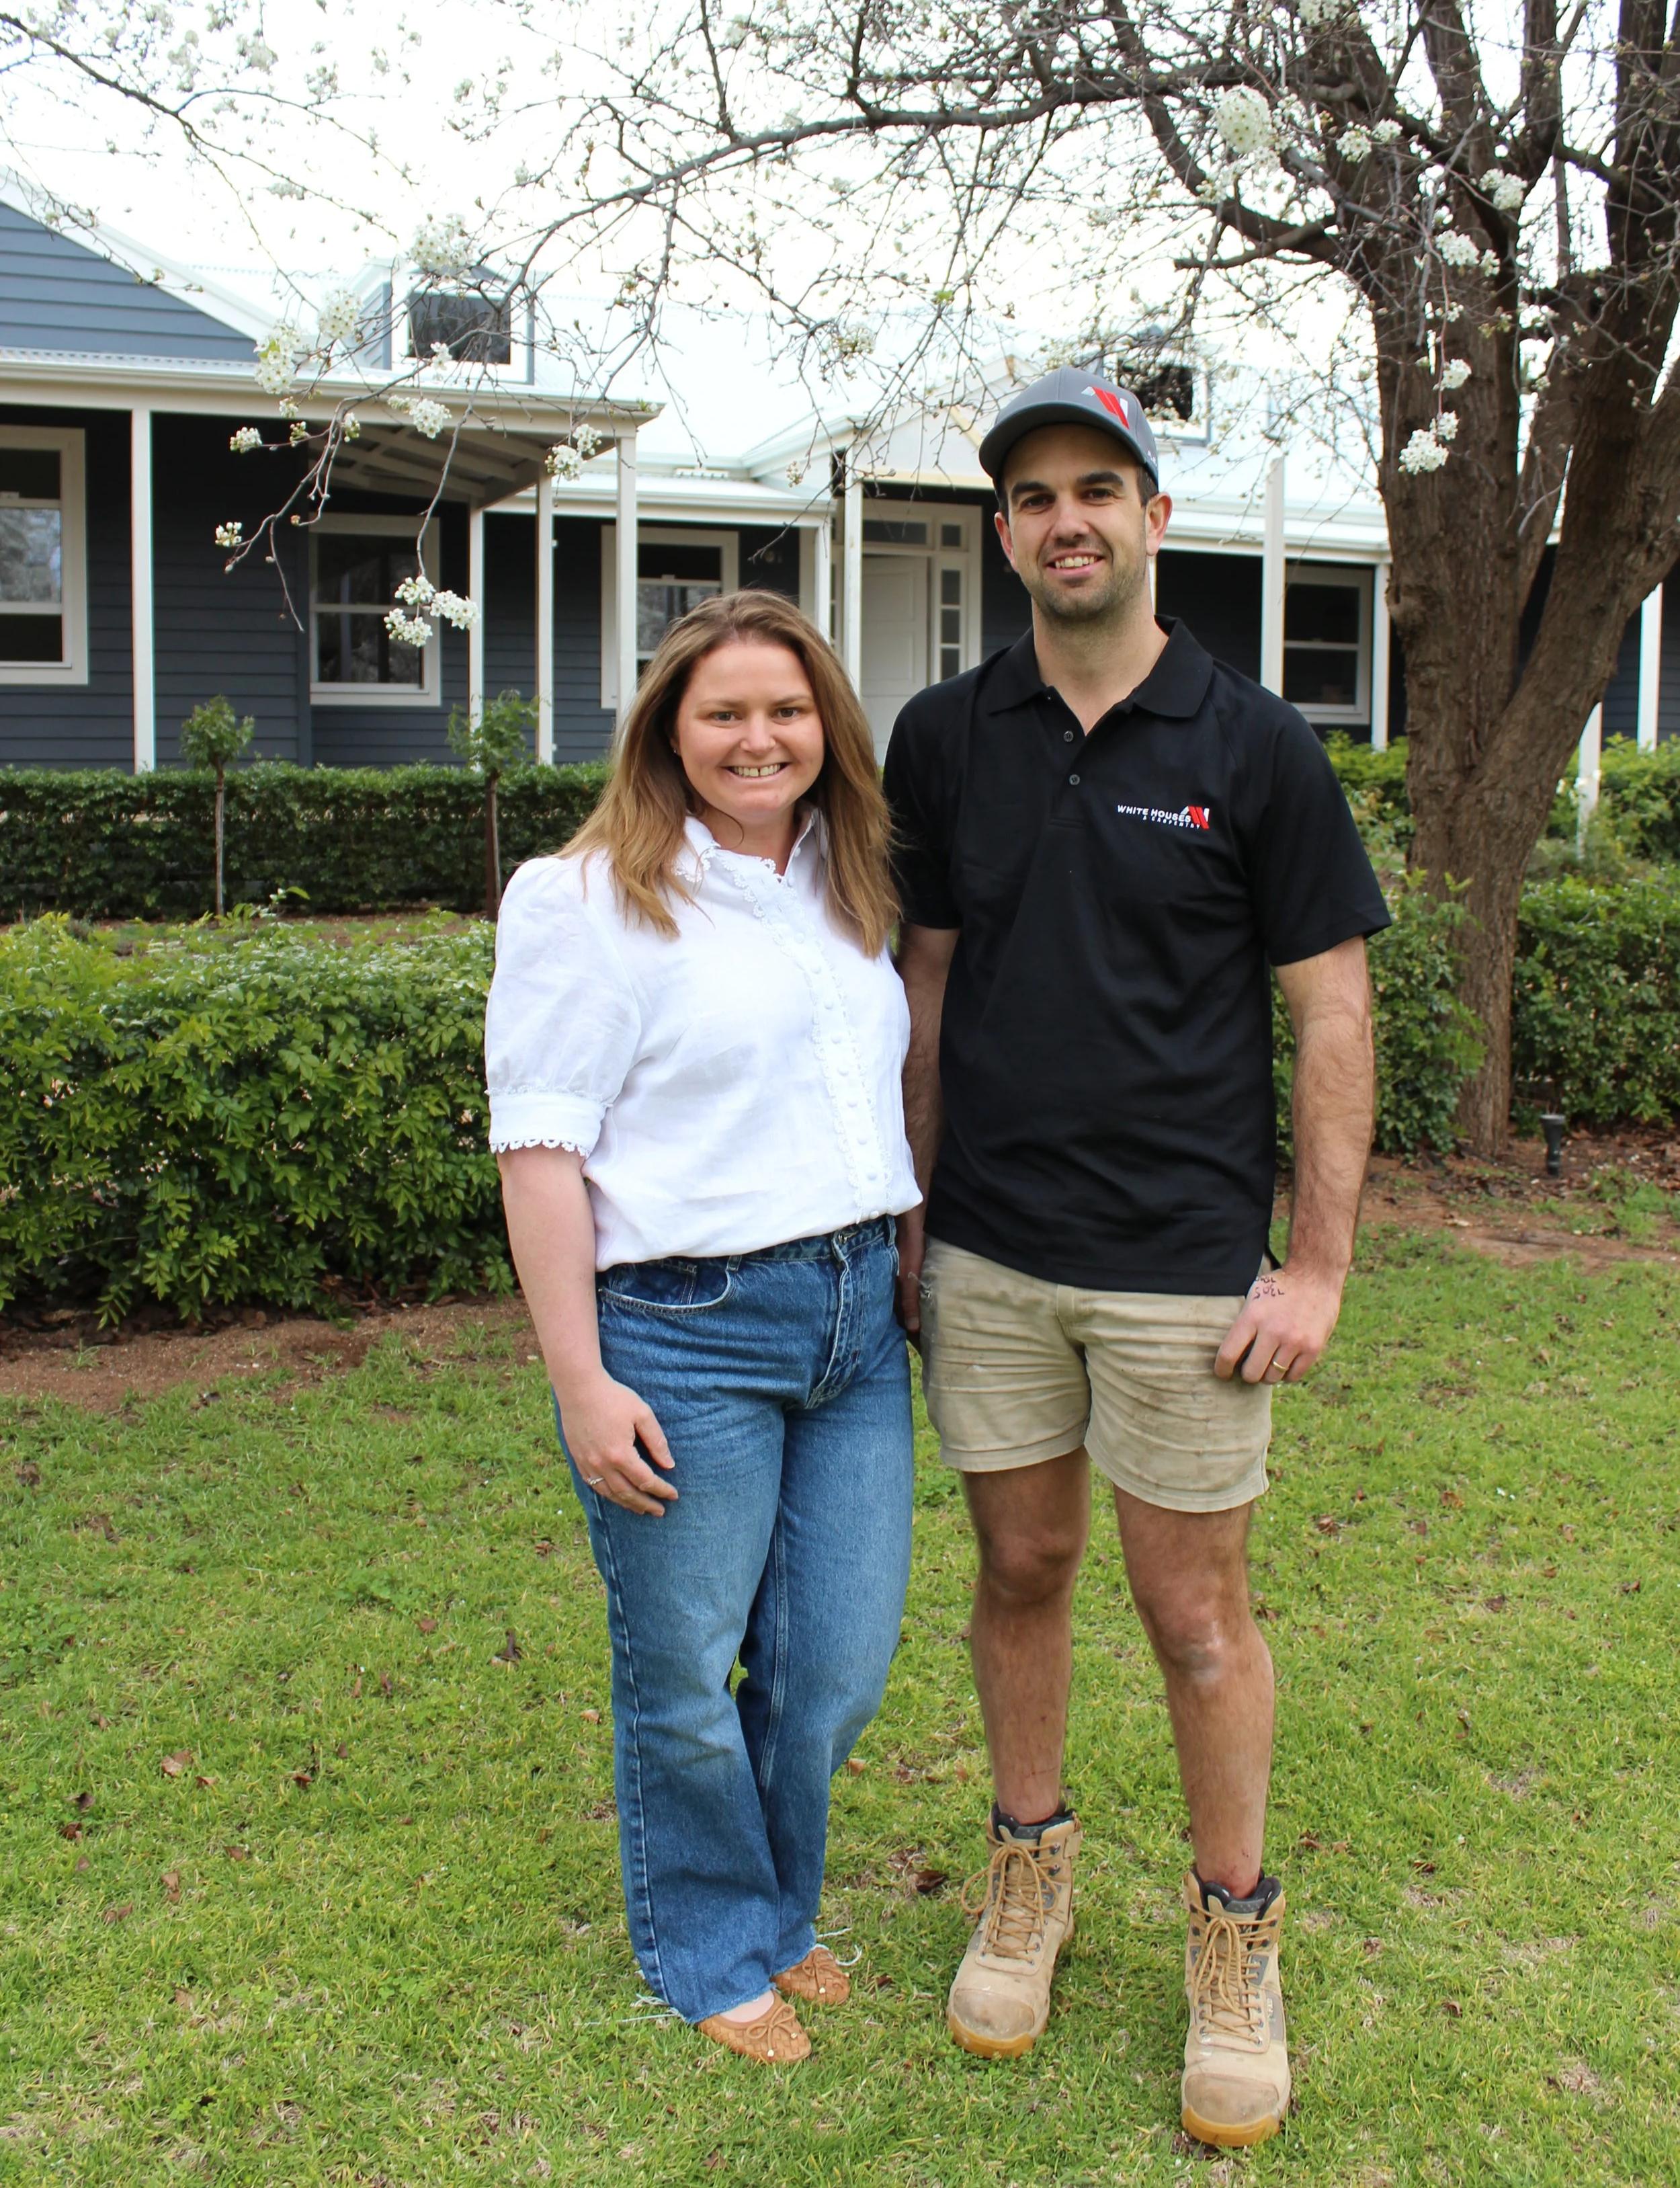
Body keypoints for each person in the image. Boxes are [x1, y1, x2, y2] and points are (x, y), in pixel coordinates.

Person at [884, 367, 1388, 2146]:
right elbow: (924, 983)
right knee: (1019, 1565)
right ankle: (1027, 1871)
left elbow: (1331, 1011)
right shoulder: (945, 735)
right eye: (1032, 496)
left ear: (1154, 515)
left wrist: (1313, 1266)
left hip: (1182, 1264)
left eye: (1097, 488)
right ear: (1002, 531)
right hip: (992, 1249)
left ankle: (1234, 1933)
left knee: (1192, 1614)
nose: (1065, 519)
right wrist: (911, 1208)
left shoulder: (1253, 745)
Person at [487, 589, 920, 2065]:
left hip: (853, 1325)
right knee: (681, 1672)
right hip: (686, 1331)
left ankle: (779, 1915)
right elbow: (539, 1150)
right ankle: (712, 1945)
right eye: (722, 711)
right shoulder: (584, 897)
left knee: (834, 1666)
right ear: (667, 730)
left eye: (786, 710)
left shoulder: (842, 881)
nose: (758, 737)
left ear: (826, 728)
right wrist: (580, 1379)